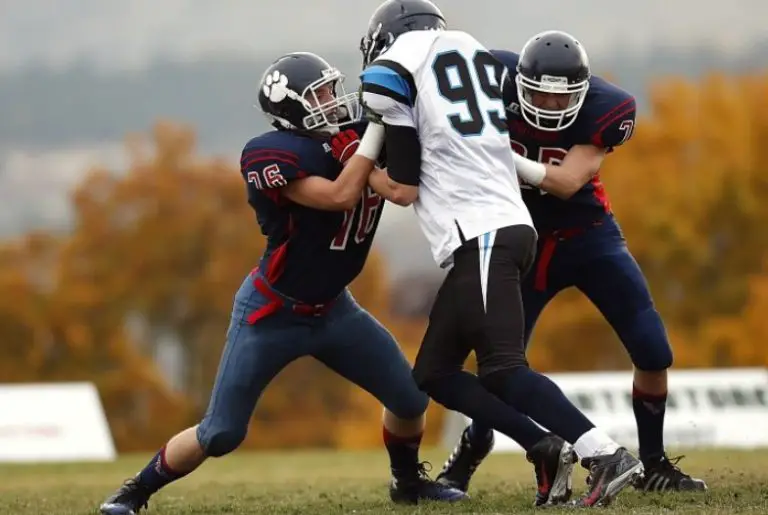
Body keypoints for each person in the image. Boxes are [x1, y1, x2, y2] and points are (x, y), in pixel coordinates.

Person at [98, 51, 466, 515]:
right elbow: (338, 195)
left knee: (410, 397)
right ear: (290, 109)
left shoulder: (353, 136)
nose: (335, 101)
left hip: (335, 309)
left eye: (334, 89)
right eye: (321, 95)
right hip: (272, 312)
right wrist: (376, 132)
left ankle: (407, 481)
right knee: (221, 432)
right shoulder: (273, 154)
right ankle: (134, 492)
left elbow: (403, 181)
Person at [359, 0, 643, 507]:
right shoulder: (470, 49)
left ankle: (605, 454)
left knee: (504, 369)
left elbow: (402, 187)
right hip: (498, 228)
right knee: (434, 375)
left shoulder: (396, 63)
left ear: (388, 37)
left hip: (484, 232)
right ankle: (543, 447)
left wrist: (360, 164)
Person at [437, 30, 708, 495]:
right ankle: (470, 449)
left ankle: (654, 462)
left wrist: (495, 152)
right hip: (516, 242)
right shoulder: (488, 78)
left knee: (653, 350)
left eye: (563, 97)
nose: (550, 104)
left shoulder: (608, 107)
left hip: (587, 237)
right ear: (518, 82)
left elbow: (564, 182)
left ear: (584, 92)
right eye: (539, 92)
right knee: (496, 369)